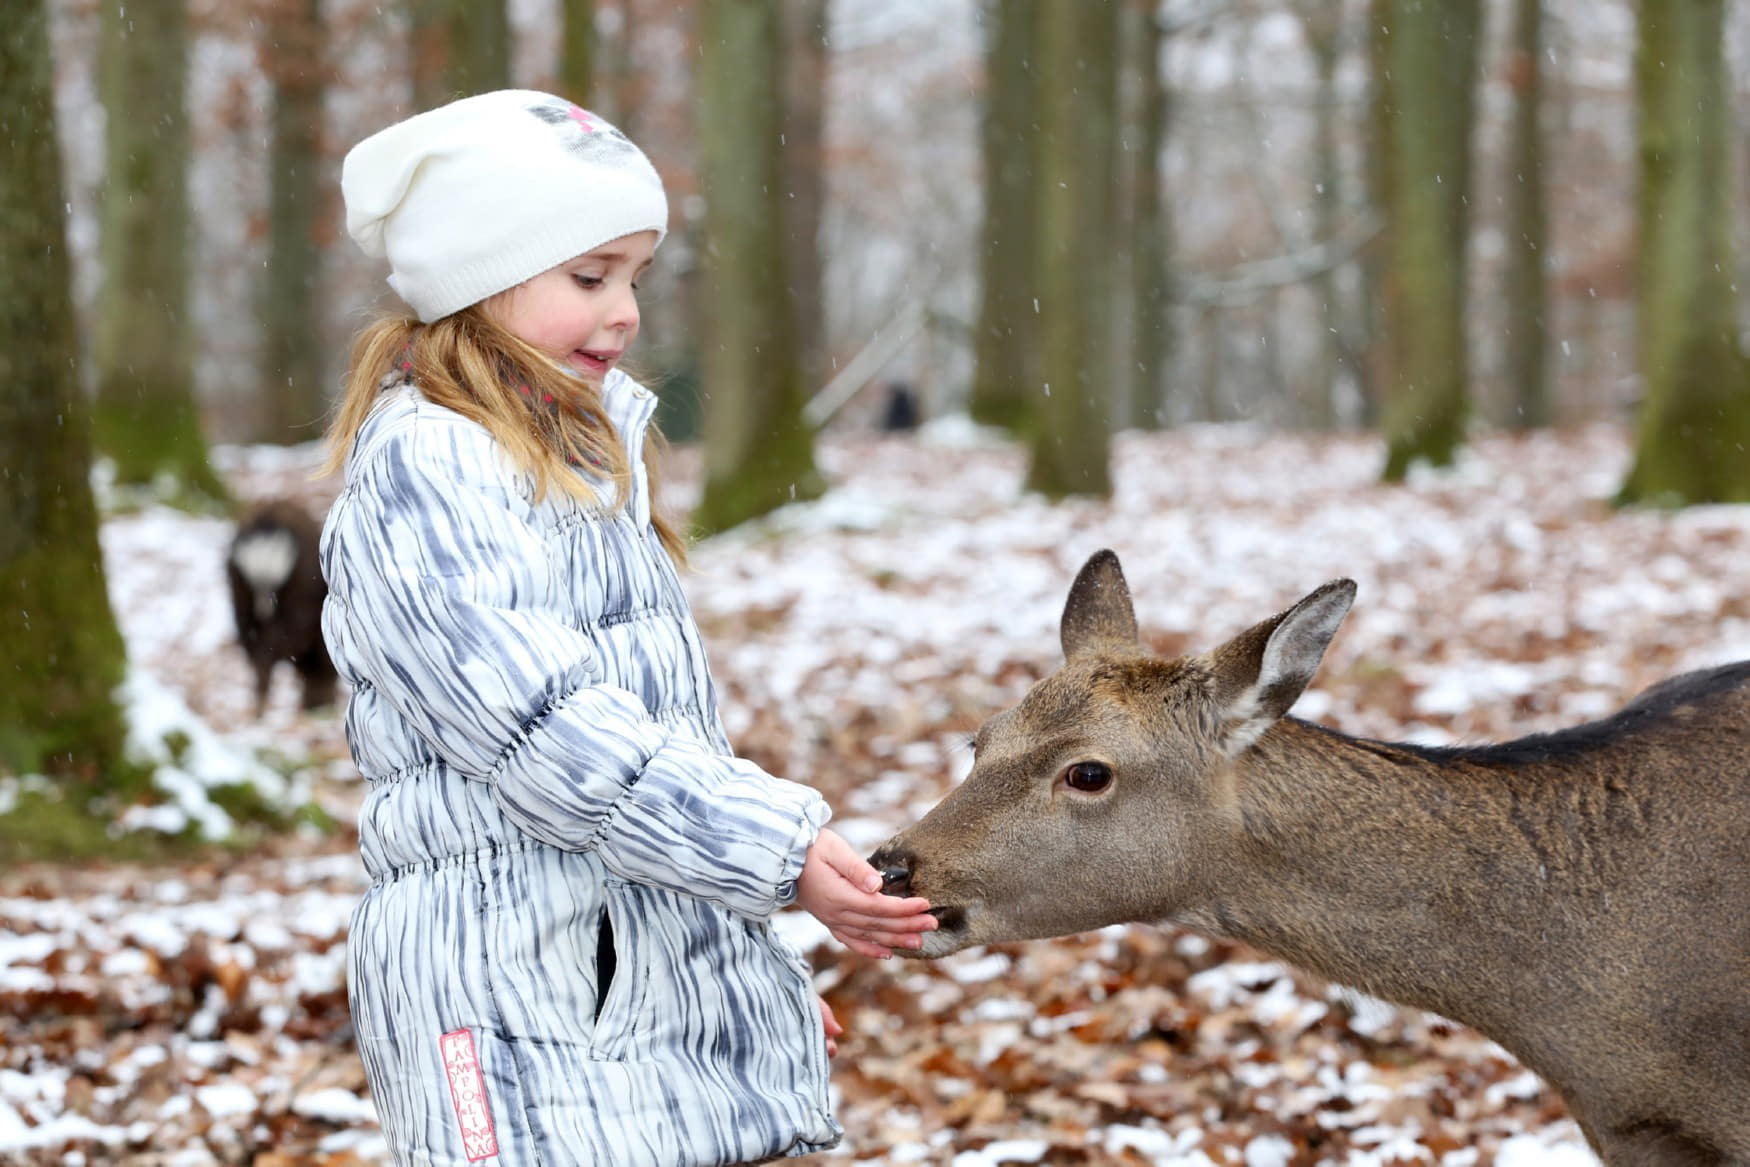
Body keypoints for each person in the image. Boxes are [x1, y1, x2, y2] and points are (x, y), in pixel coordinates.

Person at [319, 90, 937, 1166]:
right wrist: (776, 852)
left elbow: (643, 756)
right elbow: (546, 731)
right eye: (590, 276)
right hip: (499, 980)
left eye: (636, 278)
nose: (626, 314)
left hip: (613, 970)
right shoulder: (430, 468)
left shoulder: (578, 455)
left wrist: (733, 980)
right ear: (479, 278)